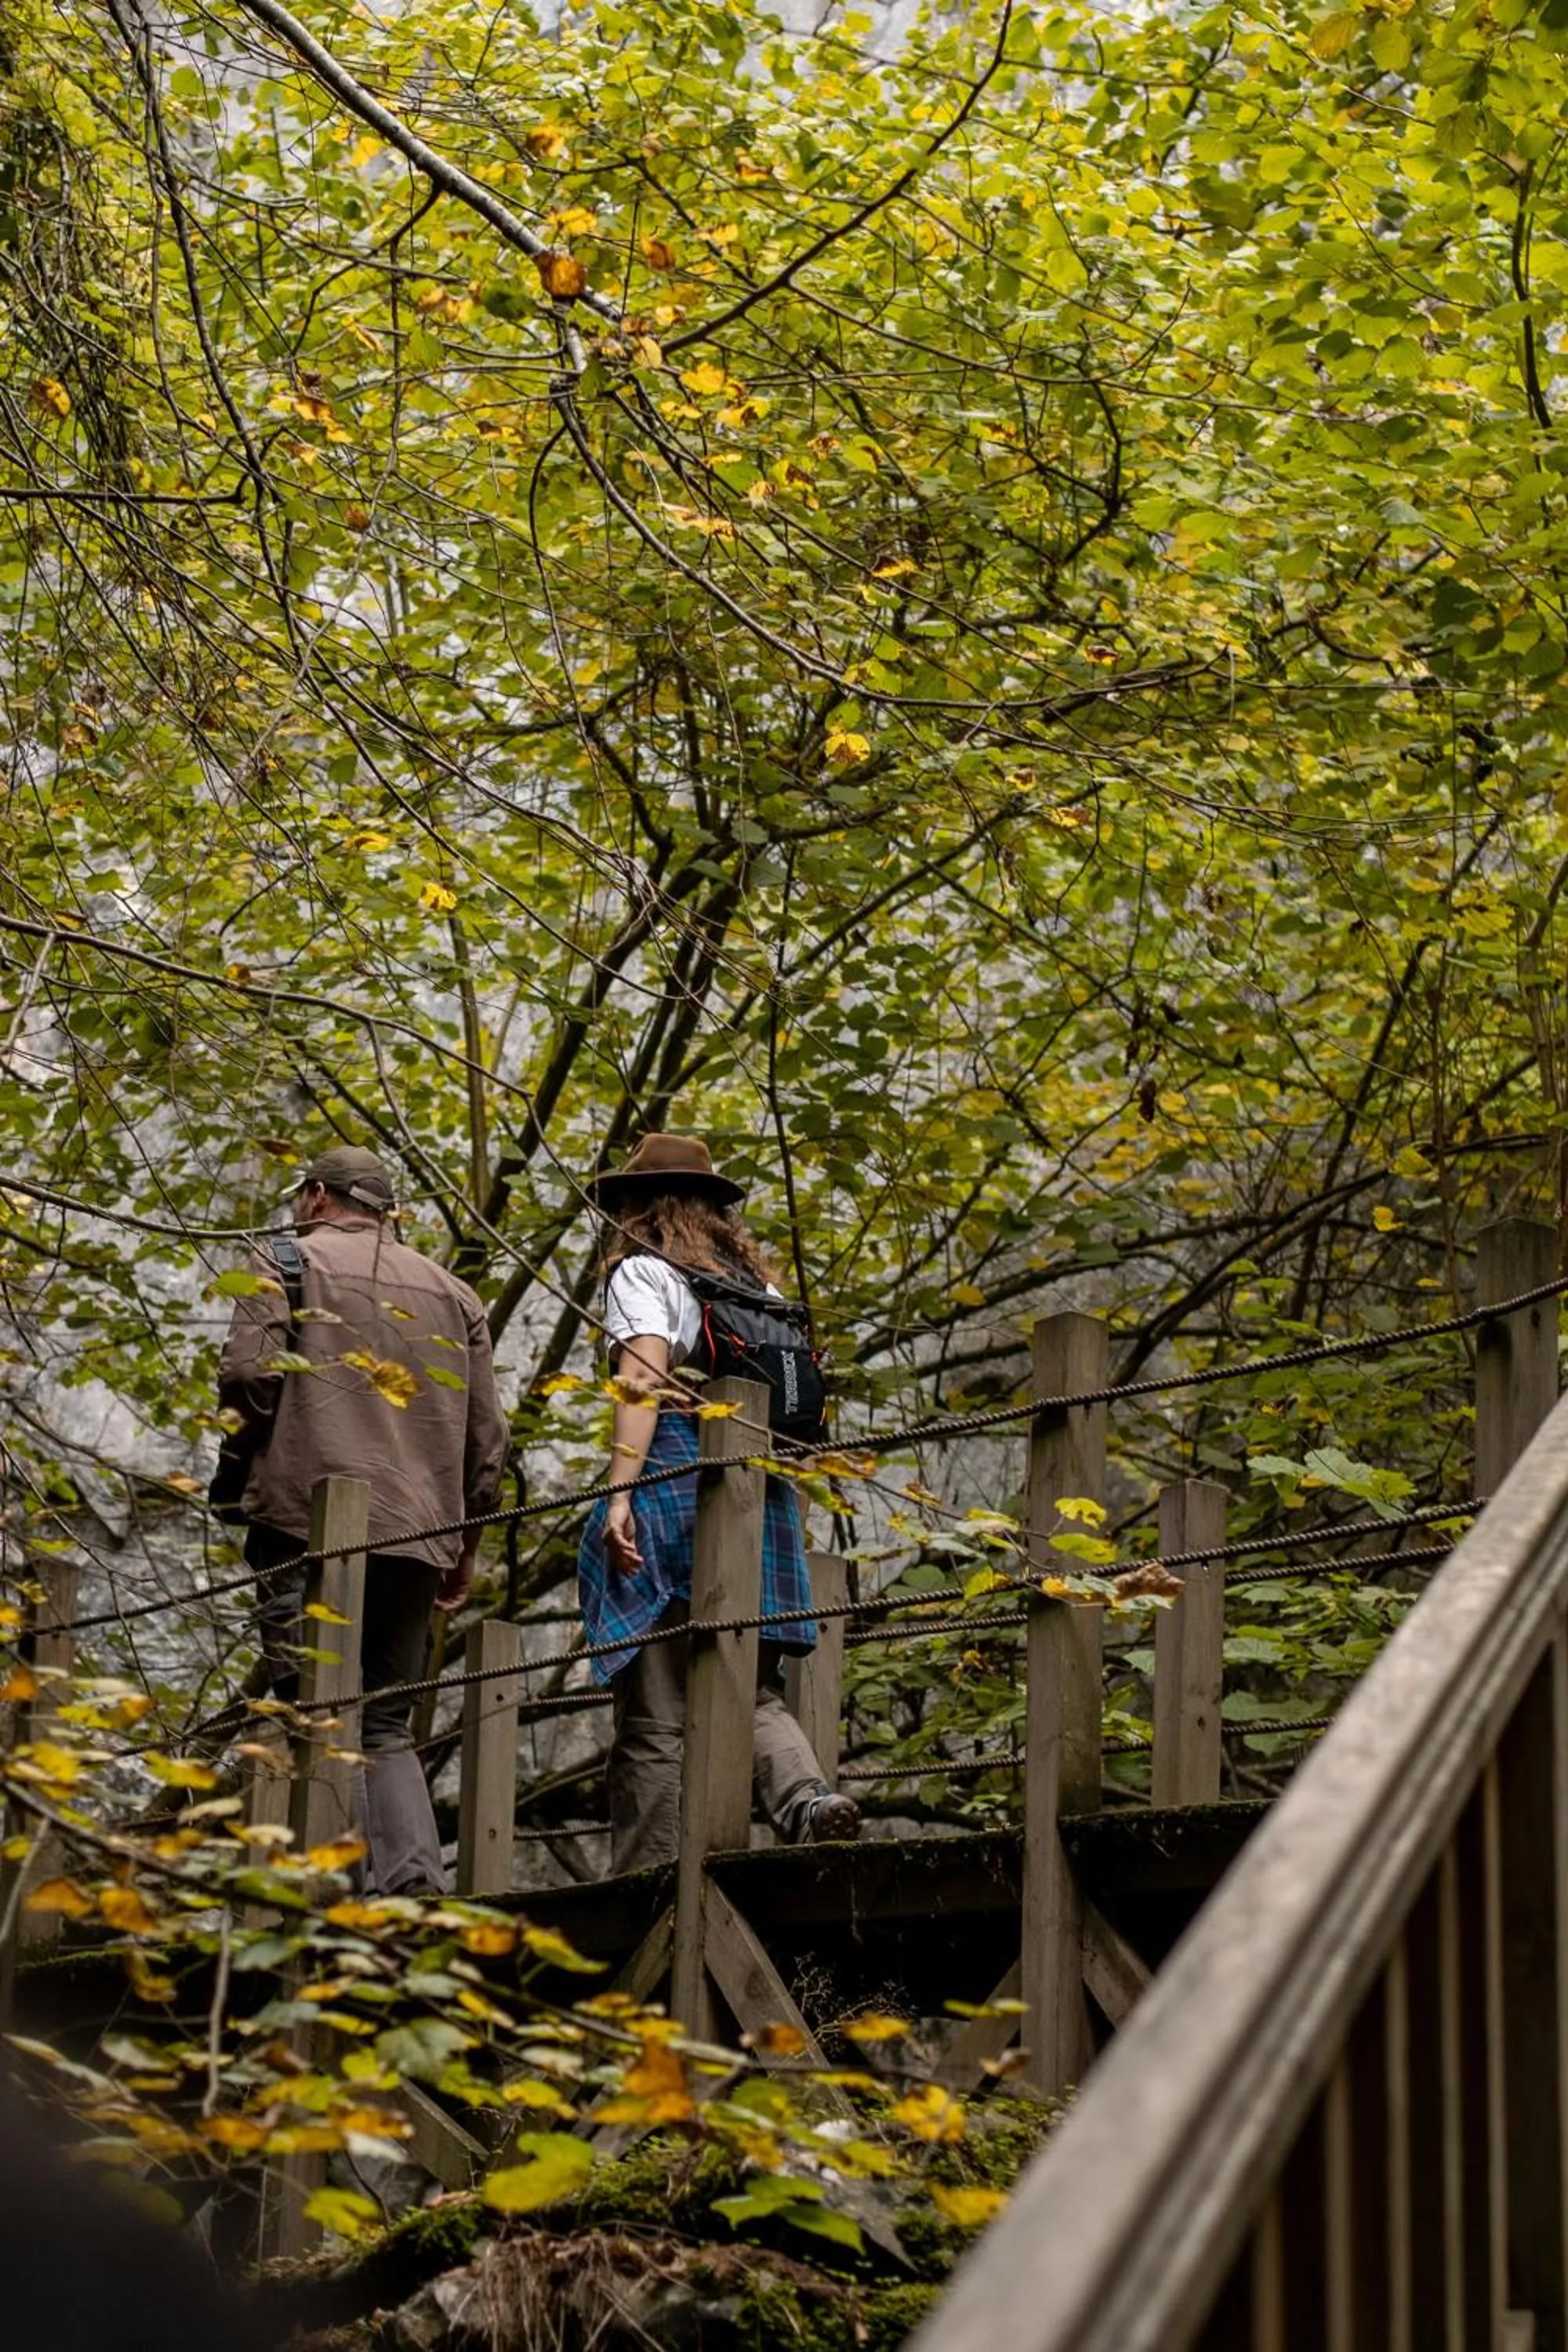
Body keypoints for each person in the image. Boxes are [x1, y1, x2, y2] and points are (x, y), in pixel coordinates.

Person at [217, 1145, 508, 1893]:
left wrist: (244, 1459)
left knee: (315, 1707)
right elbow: (487, 1446)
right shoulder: (455, 1293)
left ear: (317, 1195)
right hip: (417, 1534)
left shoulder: (282, 1261)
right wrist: (463, 1547)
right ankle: (413, 1888)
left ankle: (337, 1900)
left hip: (302, 1524)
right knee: (384, 1720)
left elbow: (250, 1375)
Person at [576, 1132, 861, 1873]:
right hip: (759, 1498)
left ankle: (649, 1885)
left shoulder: (644, 1272)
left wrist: (619, 1493)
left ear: (635, 1207)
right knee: (749, 1685)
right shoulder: (760, 1293)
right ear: (715, 1213)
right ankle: (807, 1799)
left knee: (657, 1714)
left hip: (675, 1481)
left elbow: (640, 1380)